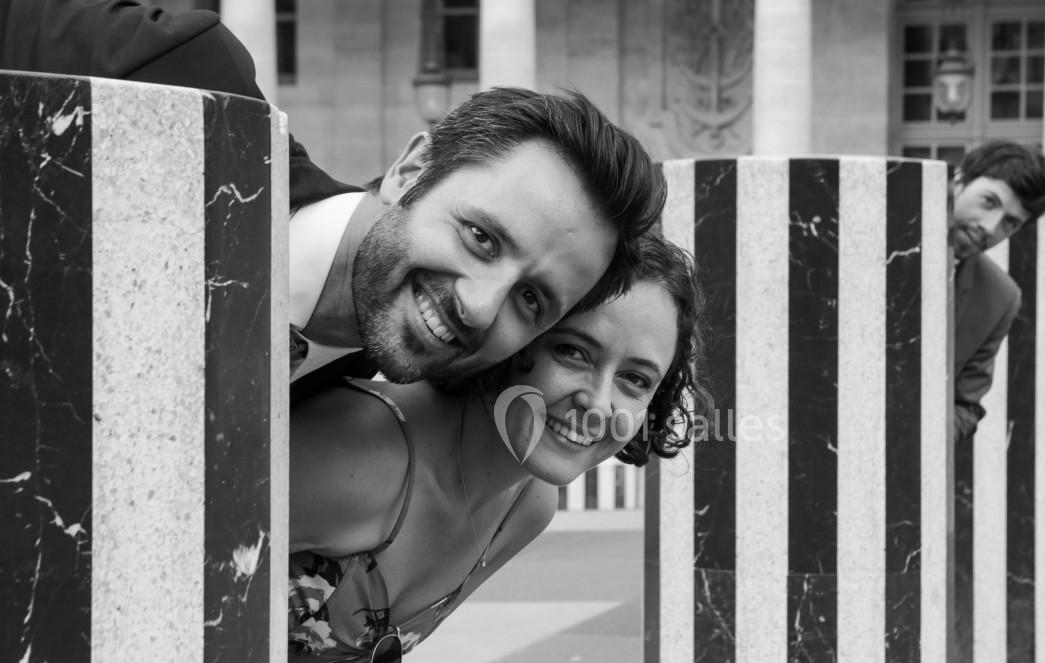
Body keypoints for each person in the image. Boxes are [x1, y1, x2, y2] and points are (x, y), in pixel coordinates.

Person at [1, 0, 667, 394]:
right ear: (412, 169)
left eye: (532, 299)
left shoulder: (334, 412)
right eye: (481, 237)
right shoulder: (177, 77)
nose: (478, 303)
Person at [286, 233, 708, 663]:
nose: (599, 402)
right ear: (513, 337)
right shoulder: (361, 451)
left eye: (634, 379)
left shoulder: (529, 506)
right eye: (574, 351)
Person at [951, 140, 1045, 440]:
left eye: (1010, 223)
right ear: (958, 181)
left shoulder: (1000, 297)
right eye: (989, 201)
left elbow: (966, 406)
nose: (990, 227)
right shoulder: (877, 237)